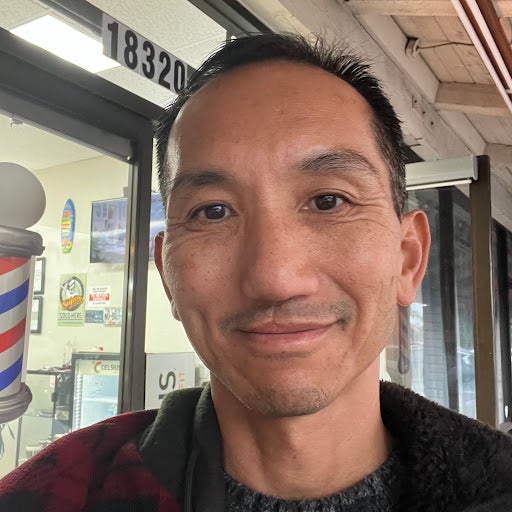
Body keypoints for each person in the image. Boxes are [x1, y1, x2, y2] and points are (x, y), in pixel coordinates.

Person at [1, 33, 512, 512]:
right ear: (166, 274)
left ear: (407, 258)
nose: (275, 278)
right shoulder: (49, 495)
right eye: (213, 212)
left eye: (328, 201)